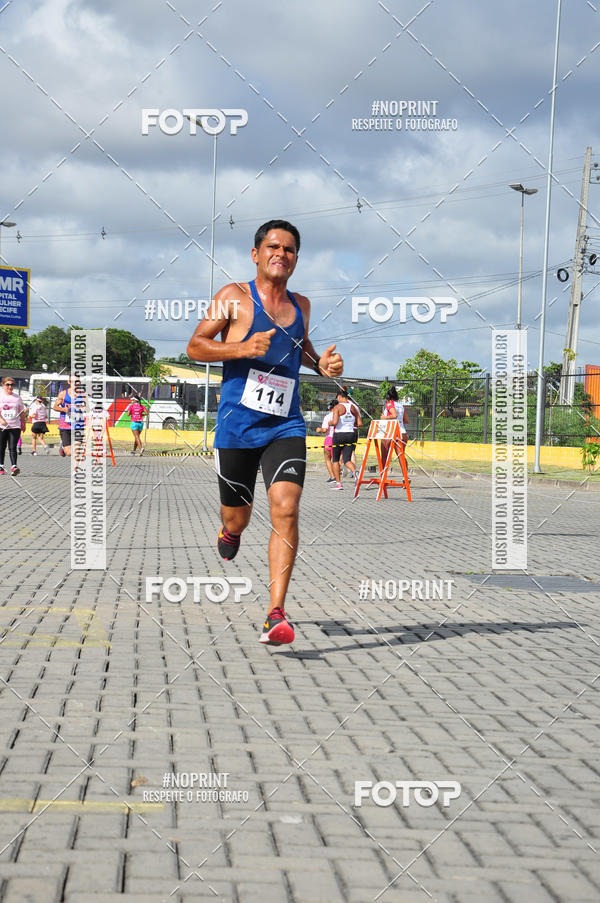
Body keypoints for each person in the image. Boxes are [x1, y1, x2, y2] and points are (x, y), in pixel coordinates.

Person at [186, 219, 343, 646]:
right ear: (256, 254)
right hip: (237, 428)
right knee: (238, 516)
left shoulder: (302, 305)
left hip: (285, 424)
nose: (281, 254)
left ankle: (275, 613)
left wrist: (321, 365)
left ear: (296, 258)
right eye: (273, 246)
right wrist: (240, 348)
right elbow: (195, 345)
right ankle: (231, 532)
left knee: (286, 509)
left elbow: (301, 349)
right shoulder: (232, 298)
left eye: (290, 249)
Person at [329, 388, 362, 490]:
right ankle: (355, 472)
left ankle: (339, 484)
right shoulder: (353, 407)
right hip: (351, 434)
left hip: (339, 435)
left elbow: (334, 422)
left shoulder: (338, 407)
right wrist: (351, 424)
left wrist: (329, 423)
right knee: (347, 459)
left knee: (335, 459)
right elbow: (359, 423)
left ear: (339, 396)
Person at [0, 376, 26, 476]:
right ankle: (1, 466)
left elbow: (21, 411)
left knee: (12, 447)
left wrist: (23, 423)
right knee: (1, 447)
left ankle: (14, 467)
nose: (10, 387)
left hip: (15, 426)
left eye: (12, 385)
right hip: (2, 426)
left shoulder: (17, 398)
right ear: (3, 385)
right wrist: (1, 420)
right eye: (8, 384)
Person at [53, 377, 85, 457]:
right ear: (69, 382)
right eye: (73, 381)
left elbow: (86, 408)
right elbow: (55, 407)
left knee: (77, 452)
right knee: (69, 453)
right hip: (65, 425)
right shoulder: (63, 394)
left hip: (78, 425)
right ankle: (62, 446)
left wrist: (82, 408)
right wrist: (63, 409)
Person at [380, 386, 408, 469]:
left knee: (384, 455)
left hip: (390, 433)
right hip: (402, 433)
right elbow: (406, 421)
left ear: (388, 397)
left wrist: (384, 418)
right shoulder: (401, 406)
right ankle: (406, 476)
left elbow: (394, 415)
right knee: (401, 455)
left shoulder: (389, 404)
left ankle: (383, 476)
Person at [315, 398, 337, 482]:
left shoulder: (328, 416)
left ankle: (332, 477)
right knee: (337, 458)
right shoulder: (340, 416)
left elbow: (324, 430)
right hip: (338, 438)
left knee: (328, 458)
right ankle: (338, 476)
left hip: (329, 439)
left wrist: (319, 429)